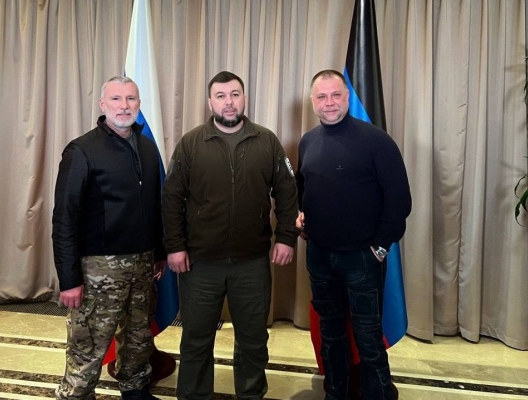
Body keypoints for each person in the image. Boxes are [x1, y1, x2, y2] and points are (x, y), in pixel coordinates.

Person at [162, 71, 300, 400]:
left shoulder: (266, 141)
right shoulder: (191, 143)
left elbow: (287, 191)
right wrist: (175, 246)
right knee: (196, 339)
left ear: (244, 99)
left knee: (253, 339)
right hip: (199, 263)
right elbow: (171, 198)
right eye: (221, 96)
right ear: (210, 102)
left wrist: (286, 237)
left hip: (251, 262)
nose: (229, 102)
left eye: (235, 94)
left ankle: (251, 394)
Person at [296, 69, 411, 400]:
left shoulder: (377, 140)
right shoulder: (307, 141)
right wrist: (302, 217)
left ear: (347, 97)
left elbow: (400, 201)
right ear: (313, 101)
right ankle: (337, 393)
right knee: (331, 335)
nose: (329, 102)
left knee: (368, 338)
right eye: (322, 96)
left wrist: (379, 249)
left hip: (363, 258)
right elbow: (303, 189)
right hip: (320, 256)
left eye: (336, 95)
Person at [52, 75, 165, 400]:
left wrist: (159, 252)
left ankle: (135, 391)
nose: (124, 106)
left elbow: (153, 205)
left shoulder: (147, 147)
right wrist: (69, 279)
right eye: (116, 99)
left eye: (131, 99)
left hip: (143, 264)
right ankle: (76, 396)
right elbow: (65, 219)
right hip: (99, 269)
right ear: (103, 104)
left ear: (139, 104)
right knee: (88, 345)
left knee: (139, 337)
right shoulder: (82, 150)